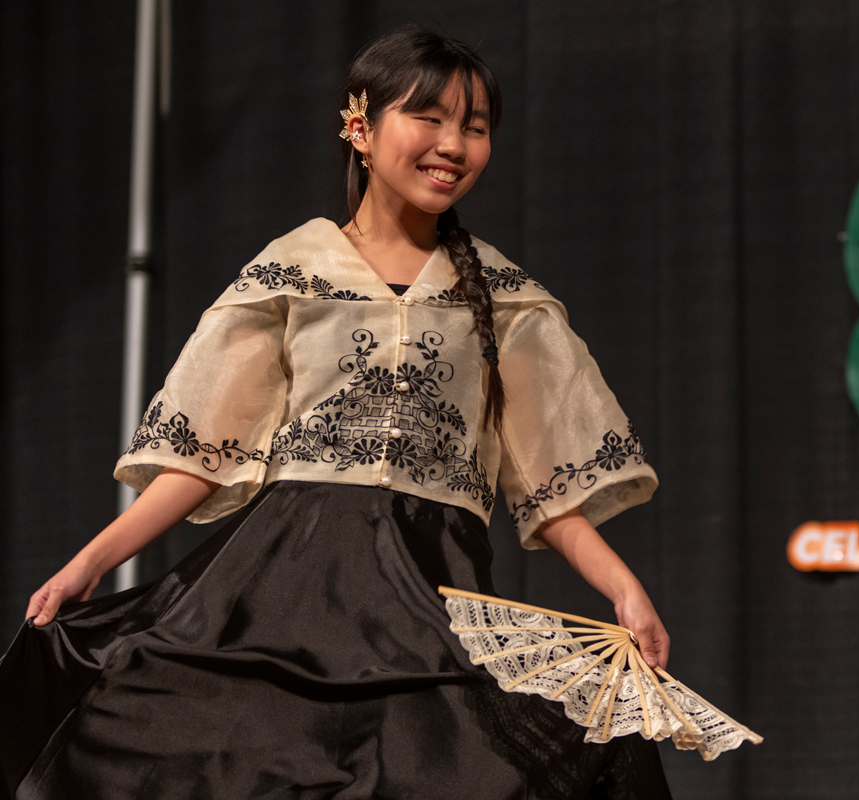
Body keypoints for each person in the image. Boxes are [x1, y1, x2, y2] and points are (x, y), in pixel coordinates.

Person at [1, 28, 674, 799]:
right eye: (430, 117)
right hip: (287, 586)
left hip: (431, 593)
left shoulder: (504, 296)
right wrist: (90, 562)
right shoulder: (294, 271)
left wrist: (624, 589)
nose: (453, 144)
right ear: (360, 126)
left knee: (571, 744)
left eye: (476, 126)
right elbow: (202, 455)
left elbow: (548, 487)